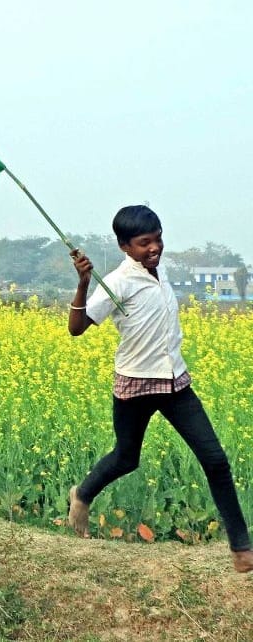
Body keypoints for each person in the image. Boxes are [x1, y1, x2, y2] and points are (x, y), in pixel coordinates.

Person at [67, 205, 252, 572]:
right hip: (135, 385)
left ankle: (242, 549)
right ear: (125, 247)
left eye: (158, 239)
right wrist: (84, 282)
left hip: (175, 383)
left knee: (214, 459)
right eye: (143, 243)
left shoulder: (161, 270)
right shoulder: (118, 283)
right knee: (126, 457)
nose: (154, 248)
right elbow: (76, 328)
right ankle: (82, 495)